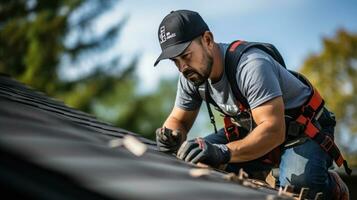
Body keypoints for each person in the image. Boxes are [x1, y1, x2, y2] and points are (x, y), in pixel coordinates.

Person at [153, 10, 349, 199]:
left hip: (304, 130)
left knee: (297, 188)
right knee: (197, 158)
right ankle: (260, 174)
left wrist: (223, 152)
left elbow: (273, 130)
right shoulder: (191, 76)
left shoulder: (251, 65)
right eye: (174, 61)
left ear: (207, 40)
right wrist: (170, 136)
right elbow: (178, 120)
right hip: (252, 129)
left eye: (186, 56)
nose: (182, 68)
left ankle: (330, 185)